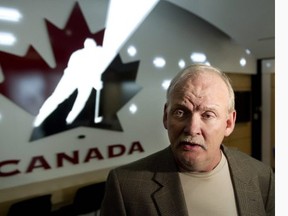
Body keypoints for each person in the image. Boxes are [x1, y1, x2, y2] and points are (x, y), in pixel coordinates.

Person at [100, 64, 275, 216]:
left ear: (229, 123)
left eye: (207, 115)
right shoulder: (125, 186)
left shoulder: (261, 176)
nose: (192, 128)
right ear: (165, 116)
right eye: (180, 112)